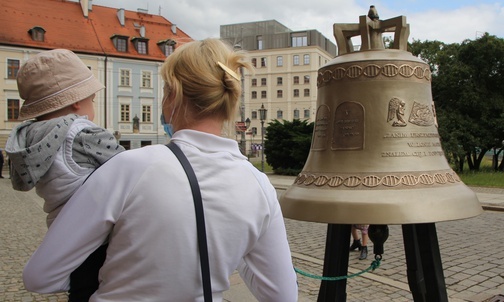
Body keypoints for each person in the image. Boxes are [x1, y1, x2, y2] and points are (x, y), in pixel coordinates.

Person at [23, 38, 299, 301]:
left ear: (173, 94)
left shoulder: (128, 167)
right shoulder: (260, 185)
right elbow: (282, 295)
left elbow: (39, 277)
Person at [6, 49, 125, 300]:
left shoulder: (29, 138)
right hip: (101, 235)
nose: (92, 108)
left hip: (63, 232)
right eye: (92, 100)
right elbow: (127, 165)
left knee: (81, 287)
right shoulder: (83, 134)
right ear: (76, 101)